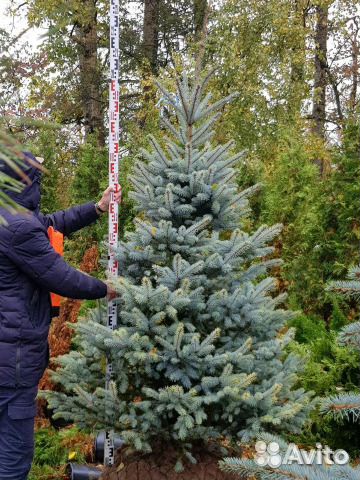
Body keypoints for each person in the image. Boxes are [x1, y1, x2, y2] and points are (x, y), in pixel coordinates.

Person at [0, 151, 120, 480]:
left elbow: (51, 224)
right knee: (14, 453)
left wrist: (97, 209)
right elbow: (61, 277)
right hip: (14, 358)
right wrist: (105, 288)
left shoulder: (11, 217)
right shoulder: (18, 228)